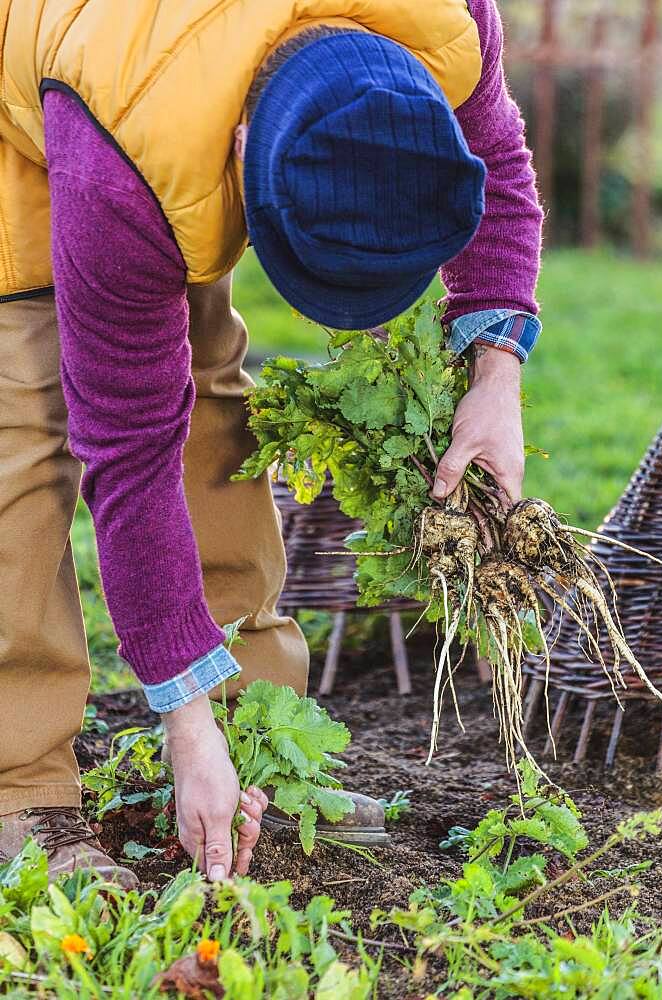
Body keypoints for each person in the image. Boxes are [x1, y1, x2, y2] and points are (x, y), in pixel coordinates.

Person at [0, 0, 542, 885]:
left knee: (211, 385)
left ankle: (256, 735)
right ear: (246, 146)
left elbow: (504, 172)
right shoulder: (130, 152)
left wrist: (497, 379)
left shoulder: (445, 25)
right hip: (45, 101)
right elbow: (129, 454)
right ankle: (20, 790)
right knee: (21, 426)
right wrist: (177, 711)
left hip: (158, 105)